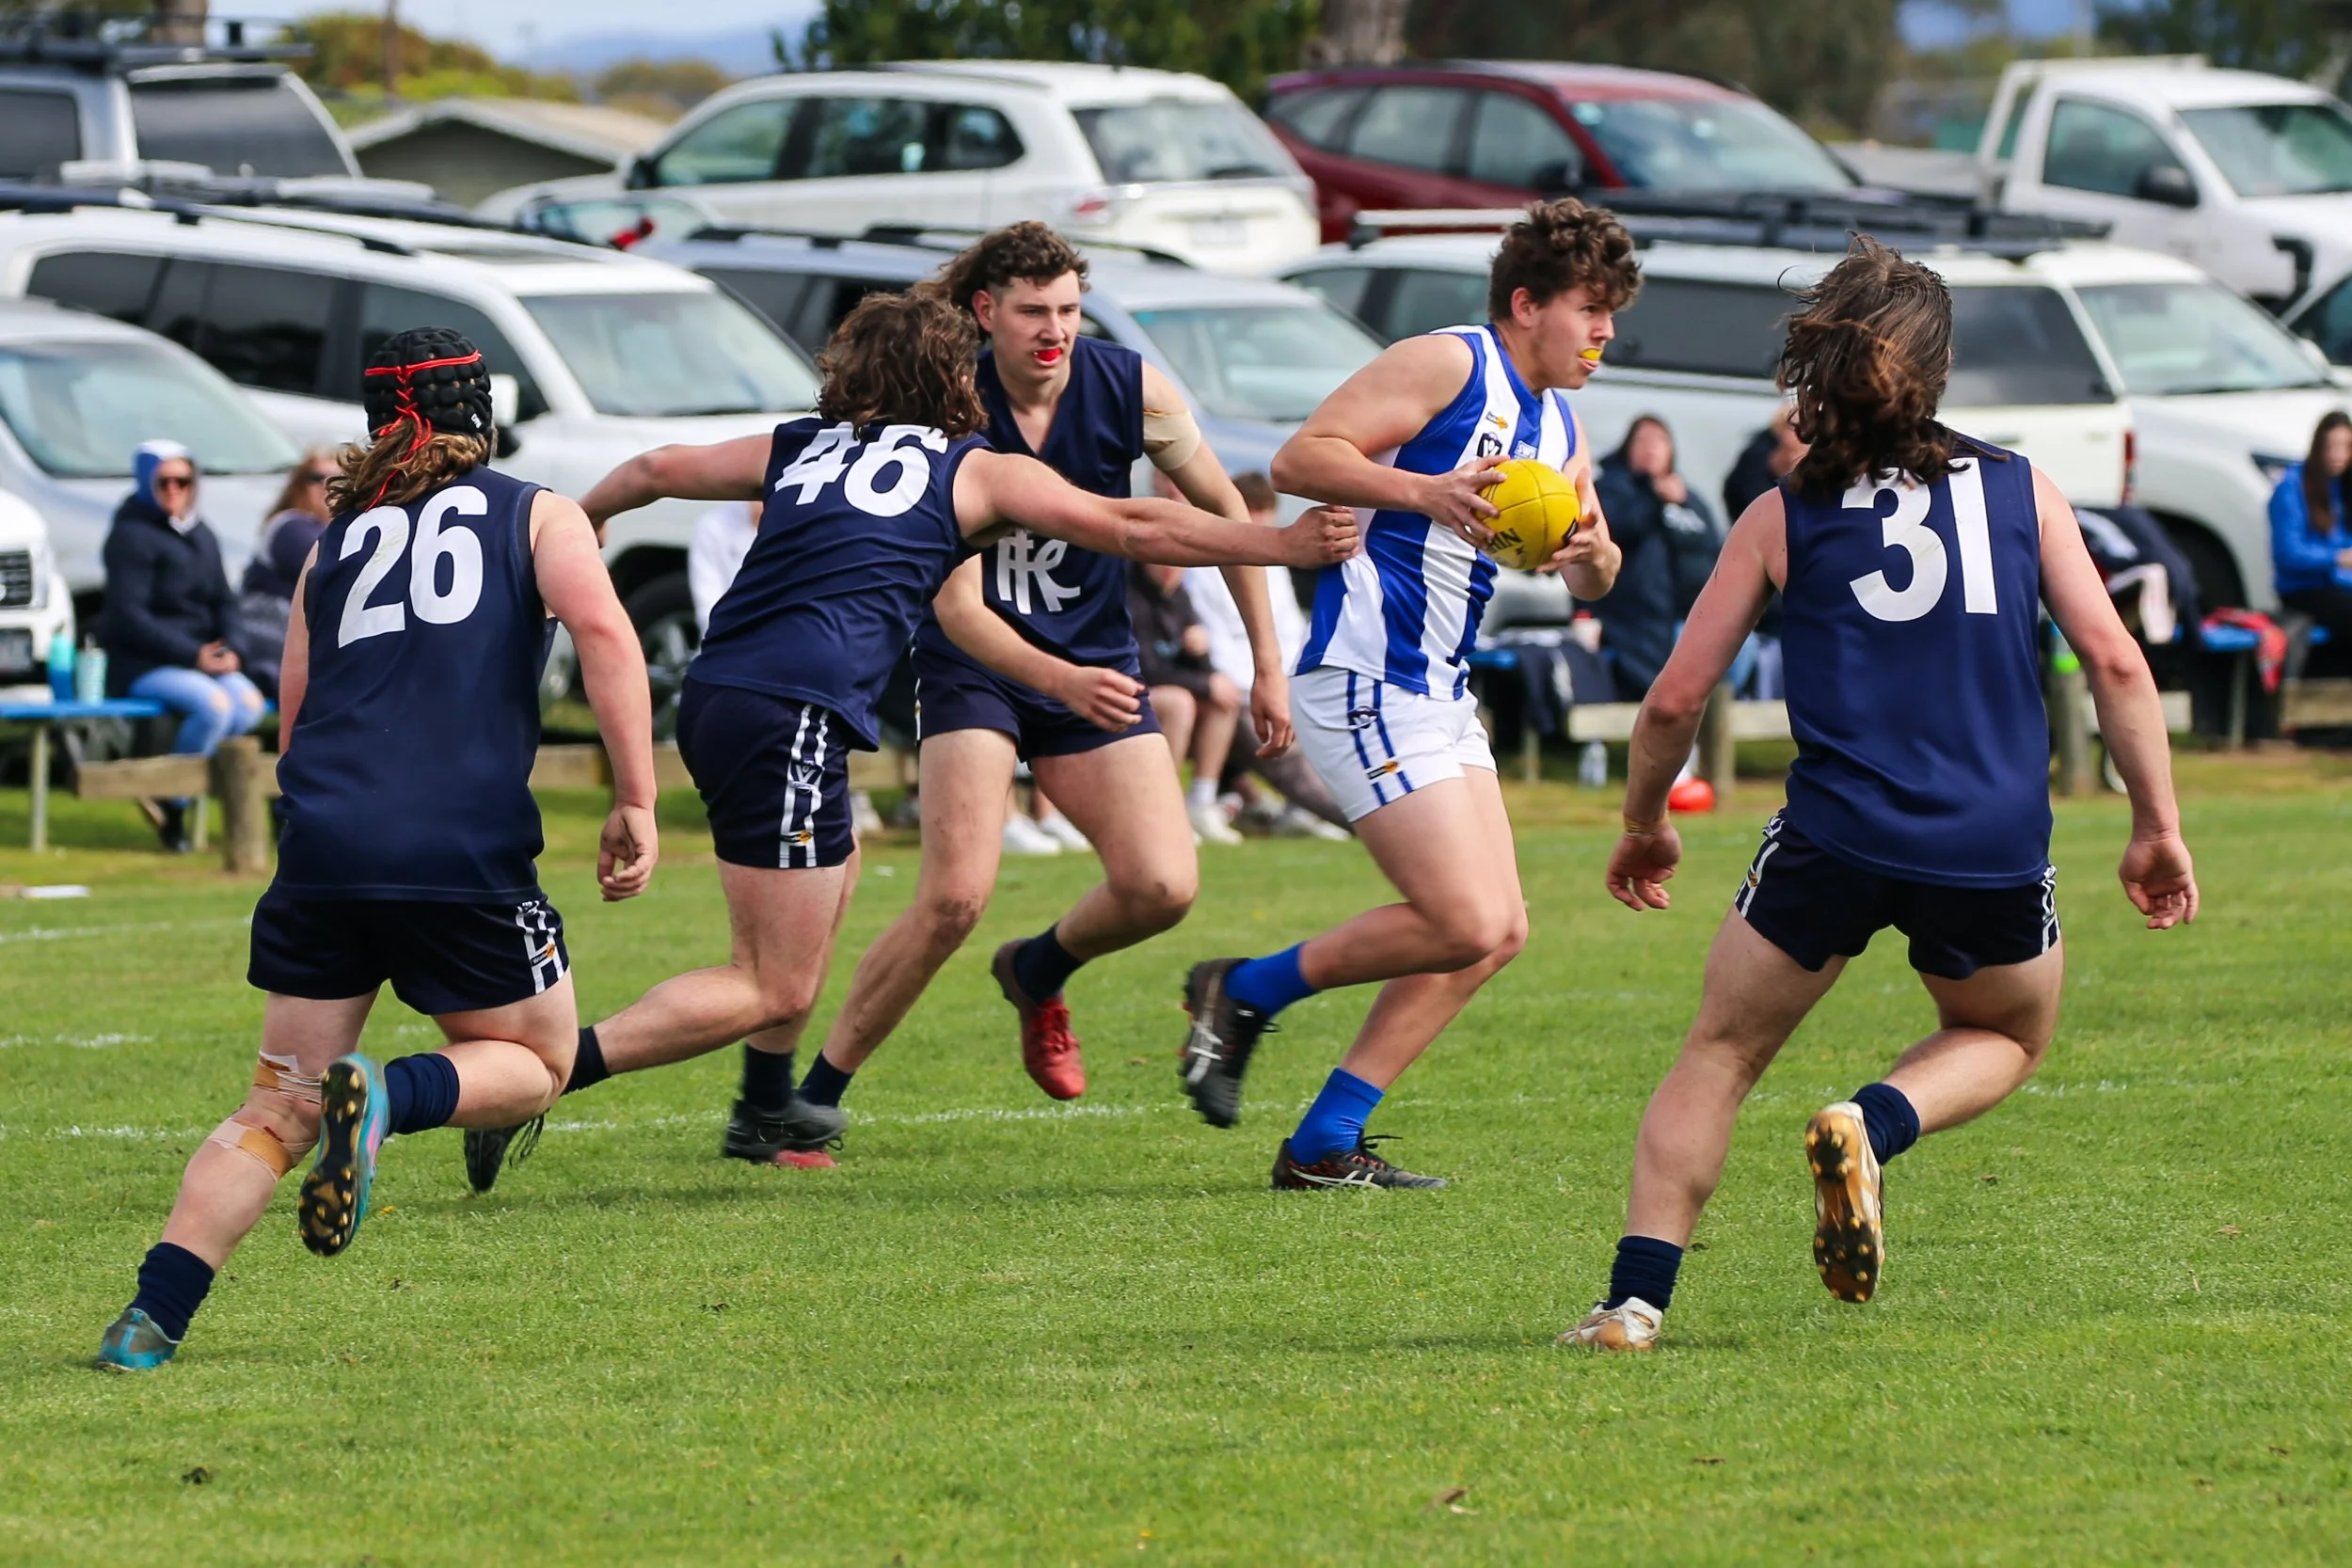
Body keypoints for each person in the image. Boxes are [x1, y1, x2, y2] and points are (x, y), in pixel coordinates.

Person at [455, 288, 1356, 1191]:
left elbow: (655, 467)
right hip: (792, 715)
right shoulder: (971, 469)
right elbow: (1131, 523)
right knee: (770, 983)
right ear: (951, 376)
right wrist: (1280, 544)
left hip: (722, 696)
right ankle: (539, 1079)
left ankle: (765, 1103)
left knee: (837, 872)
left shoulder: (801, 445)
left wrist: (583, 518)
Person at [1563, 239, 2198, 1354]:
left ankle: (1632, 1305)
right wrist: (2156, 824)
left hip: (1835, 835)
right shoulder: (2020, 488)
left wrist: (1643, 823)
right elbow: (2113, 660)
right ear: (1937, 369)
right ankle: (1872, 1120)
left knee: (1719, 1053)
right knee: (2002, 1031)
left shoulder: (1782, 511)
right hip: (1989, 837)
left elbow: (1671, 701)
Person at [94, 328, 658, 1371]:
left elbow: (295, 714)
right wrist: (636, 795)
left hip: (325, 845)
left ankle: (148, 1318)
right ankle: (391, 1095)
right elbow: (607, 634)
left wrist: (328, 823)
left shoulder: (333, 539)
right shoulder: (539, 512)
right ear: (481, 414)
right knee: (539, 1062)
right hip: (458, 844)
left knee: (278, 1105)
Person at [774, 221, 1299, 1141]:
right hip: (977, 664)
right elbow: (957, 608)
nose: (1054, 329)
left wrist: (1265, 663)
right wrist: (1060, 679)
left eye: (1068, 309)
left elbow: (1224, 515)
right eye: (1032, 312)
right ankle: (812, 1096)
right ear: (986, 311)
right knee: (953, 898)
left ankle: (1037, 969)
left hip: (1093, 661)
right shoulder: (947, 401)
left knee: (1162, 885)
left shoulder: (1132, 387)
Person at [1178, 198, 1630, 1190]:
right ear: (1527, 303)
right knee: (1463, 918)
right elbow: (1302, 458)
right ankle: (1242, 990)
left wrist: (1593, 551)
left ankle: (1322, 1143)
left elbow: (1593, 576)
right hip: (1365, 674)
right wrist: (1427, 491)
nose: (1604, 333)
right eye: (1590, 309)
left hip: (1440, 691)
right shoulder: (1451, 362)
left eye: (1612, 314)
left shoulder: (1560, 422)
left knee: (1496, 932)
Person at [98, 440, 266, 852]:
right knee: (214, 707)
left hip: (202, 659)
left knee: (250, 704)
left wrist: (233, 649)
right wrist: (192, 655)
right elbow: (129, 617)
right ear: (146, 483)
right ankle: (174, 807)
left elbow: (225, 601)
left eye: (184, 482)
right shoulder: (130, 536)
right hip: (144, 663)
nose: (174, 490)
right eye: (164, 482)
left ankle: (174, 793)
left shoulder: (201, 533)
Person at [1184, 472, 1350, 838]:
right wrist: (1262, 685)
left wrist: (1296, 686)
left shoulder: (1277, 567)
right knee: (1290, 764)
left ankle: (1310, 812)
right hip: (1241, 689)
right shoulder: (1206, 568)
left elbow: (1291, 630)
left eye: (1265, 514)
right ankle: (1350, 818)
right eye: (1253, 513)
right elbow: (1214, 637)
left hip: (1282, 685)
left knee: (1328, 737)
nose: (1261, 523)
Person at [1596, 414, 1723, 702]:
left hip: (1696, 616)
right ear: (1627, 448)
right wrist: (1654, 497)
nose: (1651, 448)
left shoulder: (1690, 499)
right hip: (1637, 619)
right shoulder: (1614, 488)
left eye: (1659, 441)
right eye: (1641, 441)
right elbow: (1616, 528)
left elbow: (1714, 547)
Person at [1127, 558, 1246, 845]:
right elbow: (1146, 668)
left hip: (1166, 691)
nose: (1171, 569)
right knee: (1179, 703)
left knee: (1224, 700)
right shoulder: (1130, 596)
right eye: (1162, 562)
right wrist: (1205, 683)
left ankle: (1201, 801)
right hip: (1127, 691)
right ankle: (1164, 803)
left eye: (1178, 563)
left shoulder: (1180, 595)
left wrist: (1201, 652)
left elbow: (1199, 668)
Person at [236, 449, 340, 698]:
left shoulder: (337, 529)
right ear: (300, 484)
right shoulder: (291, 526)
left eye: (336, 479)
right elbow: (334, 573)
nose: (326, 486)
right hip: (271, 630)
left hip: (301, 634)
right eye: (316, 478)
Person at [2266, 409, 2352, 641]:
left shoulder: (2340, 486)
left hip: (2338, 585)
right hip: (2303, 590)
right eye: (2332, 446)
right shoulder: (2292, 487)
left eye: (2345, 446)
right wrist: (2337, 558)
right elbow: (2287, 553)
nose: (2338, 455)